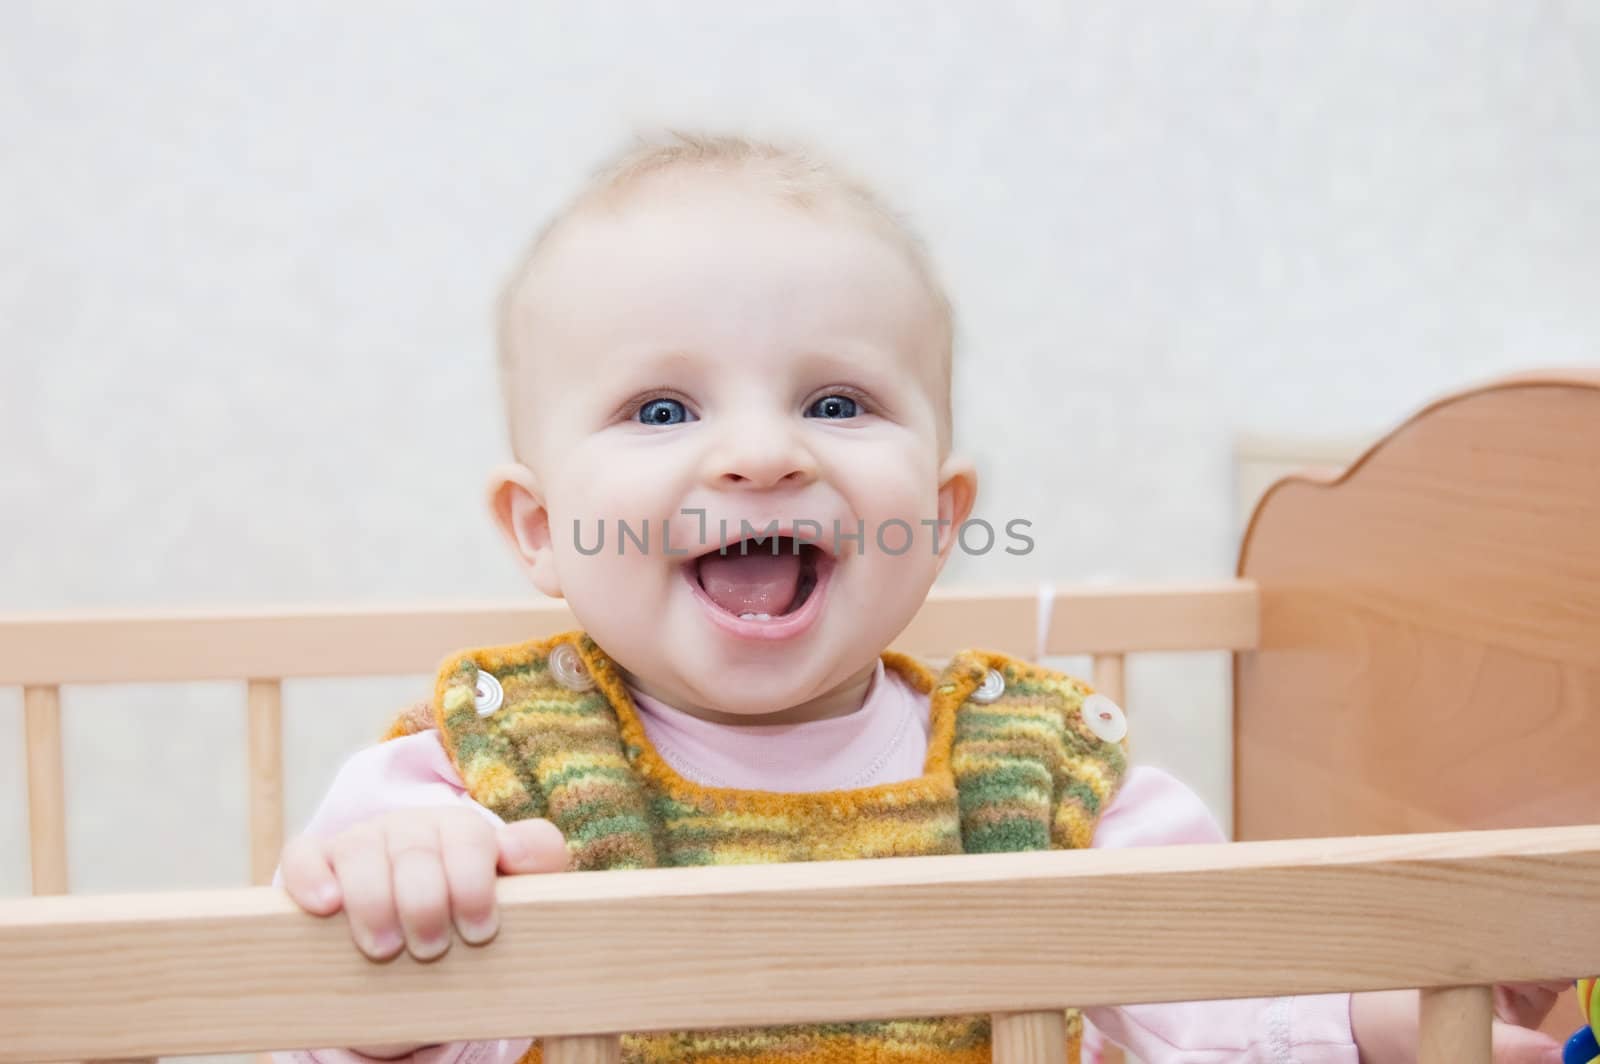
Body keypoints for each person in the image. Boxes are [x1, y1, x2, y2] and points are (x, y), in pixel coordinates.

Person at [273, 131, 1566, 1064]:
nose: (761, 453)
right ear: (542, 529)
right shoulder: (471, 788)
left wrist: (1408, 1012)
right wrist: (401, 928)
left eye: (837, 401)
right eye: (663, 408)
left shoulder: (1045, 775)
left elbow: (1222, 999)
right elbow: (297, 1031)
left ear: (943, 518)